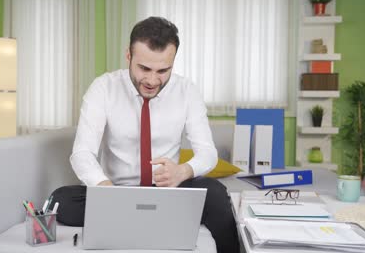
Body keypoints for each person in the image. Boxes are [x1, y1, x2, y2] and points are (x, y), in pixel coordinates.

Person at [69, 16, 239, 253]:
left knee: (217, 195)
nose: (151, 80)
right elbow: (82, 153)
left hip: (169, 192)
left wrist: (182, 171)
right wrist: (104, 188)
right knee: (61, 199)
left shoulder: (187, 91)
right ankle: (133, 216)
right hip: (115, 192)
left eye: (162, 71)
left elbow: (208, 154)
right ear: (129, 55)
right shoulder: (103, 88)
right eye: (144, 68)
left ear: (173, 62)